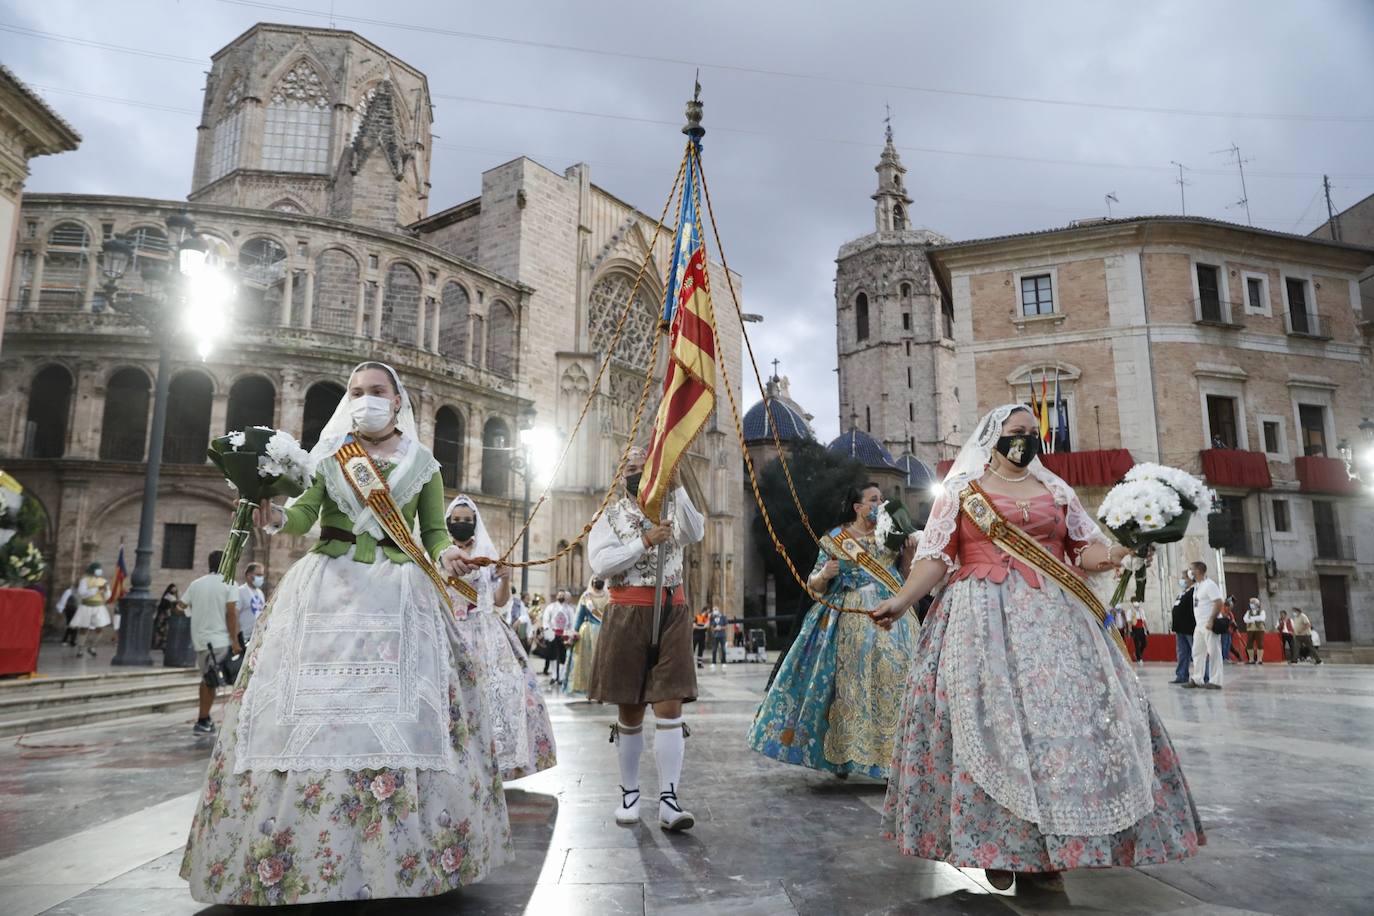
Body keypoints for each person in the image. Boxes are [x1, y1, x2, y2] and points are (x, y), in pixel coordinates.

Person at [180, 361, 509, 905]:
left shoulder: (424, 465)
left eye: (377, 391)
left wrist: (450, 555)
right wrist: (274, 519)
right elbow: (306, 513)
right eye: (357, 392)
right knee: (312, 714)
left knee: (404, 716)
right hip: (327, 588)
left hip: (401, 593)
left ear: (398, 401)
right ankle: (299, 849)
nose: (365, 400)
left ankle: (402, 854)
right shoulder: (331, 456)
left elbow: (430, 533)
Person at [871, 404, 1203, 891]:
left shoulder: (1055, 489)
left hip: (1057, 617)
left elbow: (1084, 549)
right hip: (978, 619)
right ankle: (995, 844)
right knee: (989, 726)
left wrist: (1120, 549)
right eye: (1015, 432)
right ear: (993, 437)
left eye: (1032, 432)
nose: (1025, 439)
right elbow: (936, 558)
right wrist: (901, 601)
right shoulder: (965, 490)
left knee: (1061, 726)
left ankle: (1051, 850)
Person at [747, 481, 918, 779]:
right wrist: (824, 574)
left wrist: (908, 551)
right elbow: (814, 585)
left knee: (897, 682)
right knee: (846, 688)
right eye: (874, 499)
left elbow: (903, 575)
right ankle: (843, 756)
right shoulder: (835, 538)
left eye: (882, 498)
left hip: (893, 614)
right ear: (858, 507)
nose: (881, 504)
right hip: (848, 617)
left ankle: (894, 758)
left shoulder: (891, 534)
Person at [588, 446, 704, 832]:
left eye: (645, 464)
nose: (636, 469)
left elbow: (697, 531)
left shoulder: (673, 506)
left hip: (673, 609)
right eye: (629, 465)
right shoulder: (610, 514)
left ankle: (670, 800)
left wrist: (676, 485)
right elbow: (601, 565)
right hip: (628, 612)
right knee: (631, 709)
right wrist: (646, 542)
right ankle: (631, 794)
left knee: (670, 707)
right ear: (620, 473)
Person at [446, 494, 556, 780]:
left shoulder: (485, 550)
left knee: (503, 689)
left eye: (467, 520)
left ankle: (493, 763)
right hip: (449, 629)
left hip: (484, 630)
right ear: (447, 522)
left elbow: (498, 600)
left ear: (475, 522)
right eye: (456, 520)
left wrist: (505, 578)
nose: (461, 524)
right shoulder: (441, 553)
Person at [184, 551, 239, 735]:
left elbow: (182, 606)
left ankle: (204, 718)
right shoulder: (229, 583)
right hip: (220, 640)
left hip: (200, 641)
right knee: (213, 680)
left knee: (209, 679)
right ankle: (203, 719)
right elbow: (231, 612)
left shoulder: (195, 584)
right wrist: (235, 640)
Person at [566, 577, 609, 695]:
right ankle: (589, 687)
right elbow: (580, 615)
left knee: (603, 661)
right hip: (589, 632)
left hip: (605, 632)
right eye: (596, 580)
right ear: (592, 582)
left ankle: (601, 688)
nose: (598, 582)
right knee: (588, 661)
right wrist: (574, 631)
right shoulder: (586, 597)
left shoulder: (608, 596)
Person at [1186, 561, 1225, 691]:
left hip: (1209, 623)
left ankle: (1215, 680)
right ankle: (1197, 678)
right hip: (1199, 625)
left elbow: (1219, 602)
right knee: (1197, 651)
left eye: (1191, 569)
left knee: (1214, 651)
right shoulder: (1198, 586)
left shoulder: (1210, 585)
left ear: (1198, 571)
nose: (1189, 572)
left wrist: (1211, 620)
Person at [70, 562, 112, 657]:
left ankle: (92, 646)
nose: (99, 571)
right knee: (84, 628)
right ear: (93, 570)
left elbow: (107, 597)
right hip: (86, 606)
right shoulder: (85, 580)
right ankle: (80, 648)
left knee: (100, 627)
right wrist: (96, 589)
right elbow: (82, 593)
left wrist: (105, 591)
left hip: (99, 607)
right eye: (97, 569)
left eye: (100, 569)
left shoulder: (104, 581)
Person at [540, 590, 575, 685]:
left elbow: (572, 622)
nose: (561, 596)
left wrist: (570, 633)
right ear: (556, 596)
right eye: (559, 594)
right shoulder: (551, 607)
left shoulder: (569, 609)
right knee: (552, 656)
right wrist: (548, 631)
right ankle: (554, 675)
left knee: (563, 657)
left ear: (565, 597)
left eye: (562, 595)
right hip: (553, 634)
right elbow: (546, 620)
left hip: (564, 634)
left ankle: (561, 677)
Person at [1170, 572, 1195, 684]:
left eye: (1183, 578)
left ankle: (1203, 676)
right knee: (1182, 653)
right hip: (1180, 628)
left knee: (1196, 653)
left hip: (1190, 627)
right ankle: (1181, 675)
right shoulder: (1182, 593)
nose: (1182, 580)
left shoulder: (1194, 592)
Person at [236, 562, 266, 646]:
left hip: (257, 638)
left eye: (262, 575)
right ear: (249, 575)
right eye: (258, 575)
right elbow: (235, 615)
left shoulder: (260, 593)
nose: (261, 577)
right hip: (244, 639)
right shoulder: (240, 591)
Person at [152, 583, 184, 651]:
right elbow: (164, 606)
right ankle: (159, 644)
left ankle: (165, 645)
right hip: (164, 615)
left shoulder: (174, 597)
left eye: (175, 588)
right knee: (162, 630)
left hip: (171, 615)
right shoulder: (167, 596)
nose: (174, 589)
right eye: (173, 588)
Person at [1243, 598, 1266, 665]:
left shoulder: (1262, 611)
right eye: (1251, 603)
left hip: (1259, 630)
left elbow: (1262, 618)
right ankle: (1251, 659)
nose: (1251, 604)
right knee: (1249, 644)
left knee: (1260, 644)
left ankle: (1259, 659)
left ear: (1257, 604)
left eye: (1253, 603)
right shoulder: (1248, 612)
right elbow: (1245, 619)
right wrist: (1256, 619)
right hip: (1250, 630)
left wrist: (1251, 618)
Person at [708, 604, 729, 672]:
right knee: (714, 650)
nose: (715, 611)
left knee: (723, 649)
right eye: (714, 610)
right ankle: (713, 662)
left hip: (722, 636)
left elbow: (726, 626)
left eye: (716, 609)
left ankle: (724, 662)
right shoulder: (712, 618)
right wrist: (715, 629)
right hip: (715, 636)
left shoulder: (723, 617)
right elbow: (711, 627)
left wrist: (721, 628)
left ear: (718, 610)